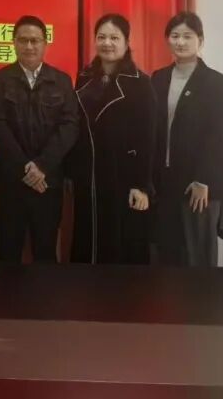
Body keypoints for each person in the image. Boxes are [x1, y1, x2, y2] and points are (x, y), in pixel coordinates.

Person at [0, 15, 78, 263]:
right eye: (23, 40)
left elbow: (70, 126)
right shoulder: (1, 79)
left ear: (45, 44)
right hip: (11, 182)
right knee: (8, 251)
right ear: (14, 43)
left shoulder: (61, 80)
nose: (29, 46)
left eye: (35, 40)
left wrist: (42, 166)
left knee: (45, 252)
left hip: (47, 183)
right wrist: (25, 168)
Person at [69, 14, 156, 264]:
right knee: (88, 241)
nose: (107, 43)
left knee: (121, 245)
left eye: (114, 38)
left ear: (127, 42)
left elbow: (148, 138)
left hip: (123, 176)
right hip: (88, 175)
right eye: (102, 37)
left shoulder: (140, 83)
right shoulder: (84, 77)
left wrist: (141, 185)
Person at [150, 11, 223, 268]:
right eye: (175, 36)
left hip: (197, 183)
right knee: (166, 253)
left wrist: (203, 179)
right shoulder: (158, 78)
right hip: (164, 180)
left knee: (197, 257)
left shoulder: (215, 82)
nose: (180, 42)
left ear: (200, 40)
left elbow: (219, 135)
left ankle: (202, 297)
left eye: (187, 36)